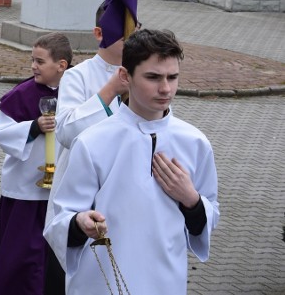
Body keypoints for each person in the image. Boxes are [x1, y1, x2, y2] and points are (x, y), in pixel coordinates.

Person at [45, 29, 219, 295]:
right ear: (125, 76)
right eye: (153, 77)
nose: (165, 88)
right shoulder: (93, 142)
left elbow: (210, 214)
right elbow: (61, 219)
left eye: (173, 77)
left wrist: (192, 201)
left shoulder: (195, 143)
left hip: (165, 280)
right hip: (102, 281)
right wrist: (80, 223)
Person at [0, 32, 72, 294]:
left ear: (61, 65)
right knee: (19, 255)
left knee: (52, 257)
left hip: (61, 187)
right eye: (33, 60)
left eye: (40, 61)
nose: (33, 66)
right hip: (26, 191)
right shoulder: (23, 92)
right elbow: (1, 131)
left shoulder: (75, 92)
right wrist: (33, 126)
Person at [46, 4, 127, 294]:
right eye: (123, 30)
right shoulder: (77, 76)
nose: (131, 36)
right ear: (99, 33)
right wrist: (110, 91)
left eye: (136, 28)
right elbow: (67, 132)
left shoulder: (145, 78)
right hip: (80, 191)